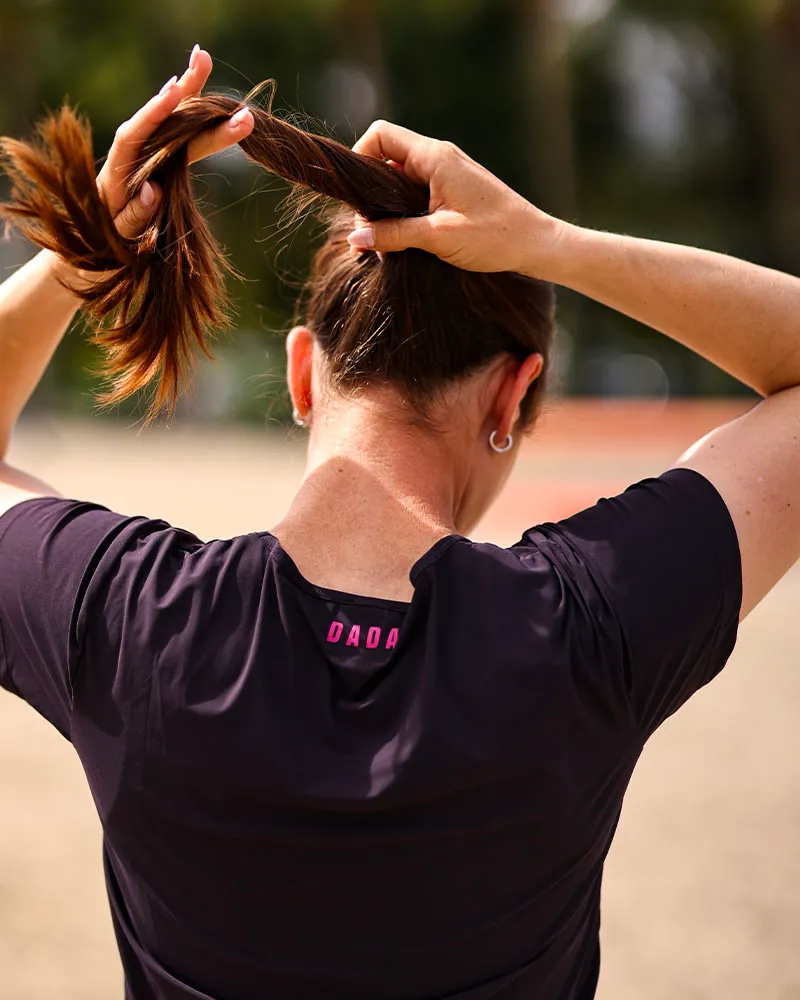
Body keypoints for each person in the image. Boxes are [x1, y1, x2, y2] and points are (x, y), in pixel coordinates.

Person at [0, 44, 796, 1000]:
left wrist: (75, 258)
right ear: (511, 401)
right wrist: (549, 242)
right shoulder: (587, 633)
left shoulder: (129, 619)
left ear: (302, 373)